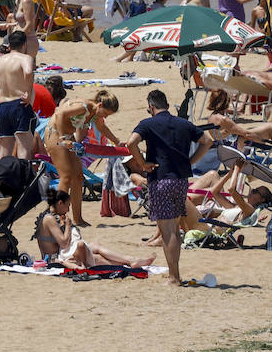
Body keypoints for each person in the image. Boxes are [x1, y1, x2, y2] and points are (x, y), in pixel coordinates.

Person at [125, 88, 213, 286]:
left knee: (168, 231)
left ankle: (174, 277)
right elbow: (208, 141)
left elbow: (131, 142)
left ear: (151, 106)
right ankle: (175, 273)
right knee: (174, 228)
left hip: (161, 179)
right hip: (181, 180)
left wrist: (142, 164)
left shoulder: (147, 123)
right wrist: (191, 161)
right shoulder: (183, 123)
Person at [42, 89, 121, 227]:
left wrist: (117, 141)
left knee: (78, 177)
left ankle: (77, 218)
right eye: (106, 114)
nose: (106, 117)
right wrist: (63, 138)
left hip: (68, 137)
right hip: (55, 134)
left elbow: (102, 128)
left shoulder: (95, 113)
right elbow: (60, 114)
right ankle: (55, 214)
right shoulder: (84, 107)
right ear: (100, 106)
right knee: (66, 177)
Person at [35, 190, 153, 270]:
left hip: (62, 253)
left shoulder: (49, 215)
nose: (68, 210)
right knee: (97, 258)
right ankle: (128, 264)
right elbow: (64, 243)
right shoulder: (49, 219)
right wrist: (67, 225)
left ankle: (131, 260)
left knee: (95, 245)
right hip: (55, 259)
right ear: (60, 203)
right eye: (67, 206)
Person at [0, 29, 36, 159]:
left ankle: (2, 179)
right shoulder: (25, 58)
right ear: (24, 44)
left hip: (3, 107)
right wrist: (27, 92)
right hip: (20, 104)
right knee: (23, 147)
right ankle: (22, 178)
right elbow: (29, 71)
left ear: (9, 45)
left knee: (4, 150)